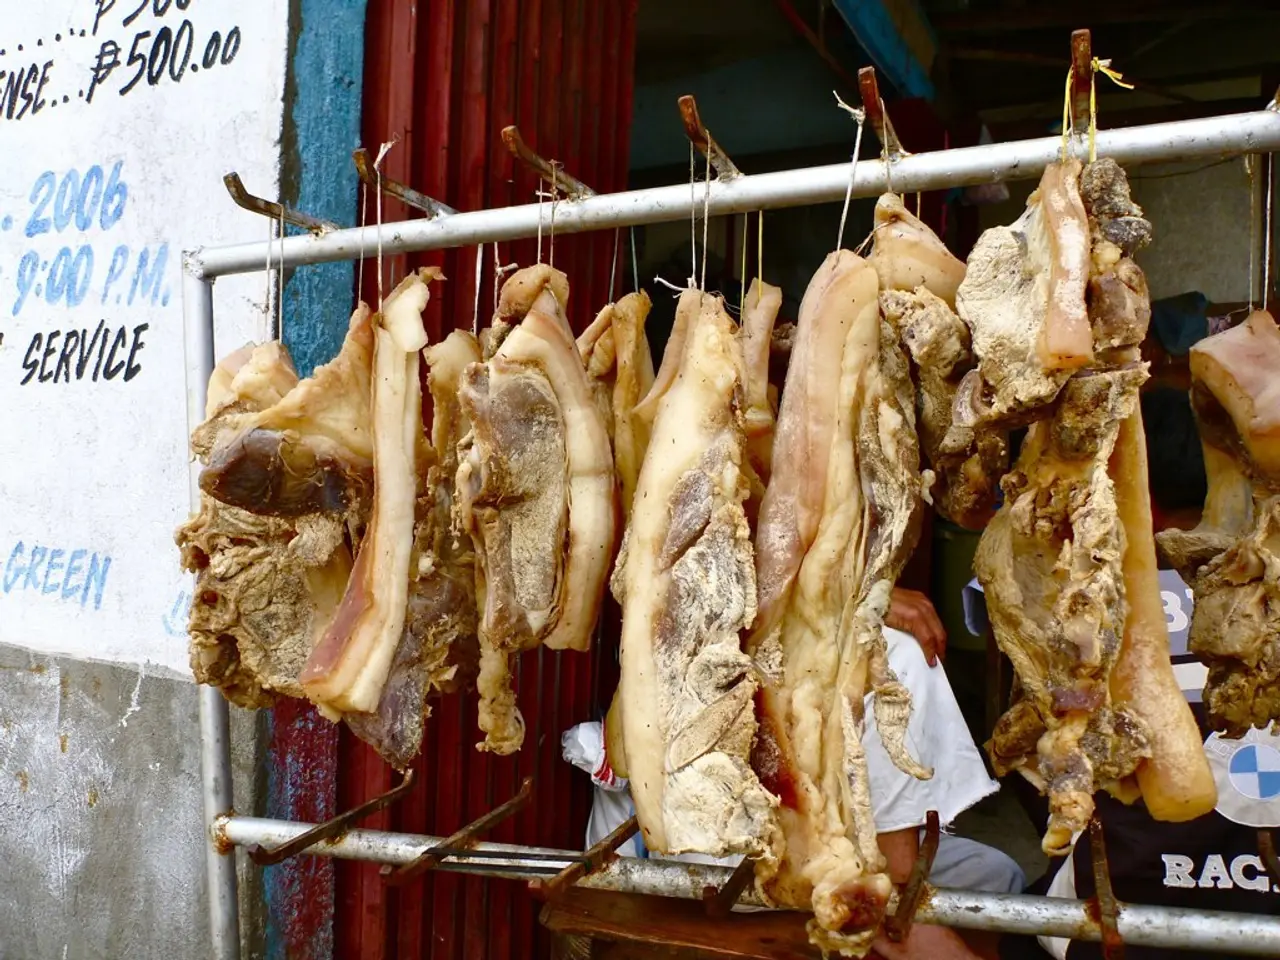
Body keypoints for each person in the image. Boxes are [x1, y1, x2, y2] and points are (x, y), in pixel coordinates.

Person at [565, 588, 1023, 960]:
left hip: (807, 833)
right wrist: (852, 597)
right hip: (711, 845)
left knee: (994, 875)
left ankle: (885, 892)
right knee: (892, 656)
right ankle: (883, 916)